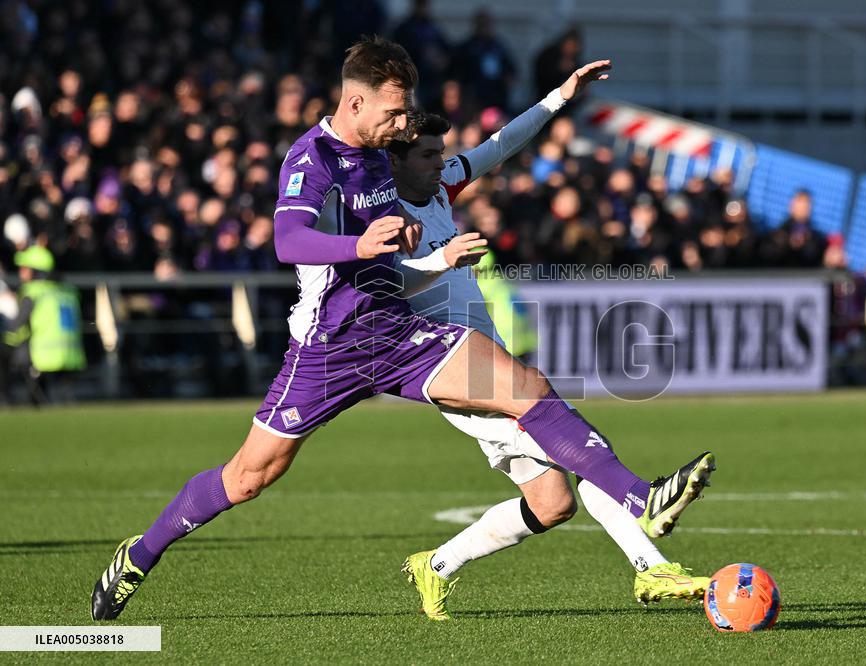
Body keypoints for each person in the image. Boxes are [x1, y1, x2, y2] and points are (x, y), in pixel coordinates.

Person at [90, 38, 713, 622]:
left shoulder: (397, 163)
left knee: (527, 387)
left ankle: (642, 500)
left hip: (401, 336)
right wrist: (359, 243)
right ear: (355, 101)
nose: (402, 123)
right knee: (249, 478)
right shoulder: (314, 158)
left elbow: (489, 151)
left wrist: (555, 100)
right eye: (393, 112)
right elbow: (287, 239)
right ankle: (140, 555)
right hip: (329, 347)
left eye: (405, 112)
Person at [388, 63, 714, 620]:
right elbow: (387, 283)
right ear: (394, 159)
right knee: (577, 446)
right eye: (426, 155)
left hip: (484, 354)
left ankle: (436, 564)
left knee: (553, 502)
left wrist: (561, 96)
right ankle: (649, 560)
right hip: (441, 362)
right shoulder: (382, 215)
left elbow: (501, 143)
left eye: (440, 154)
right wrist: (438, 260)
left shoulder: (440, 188)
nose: (440, 163)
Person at [2, 245, 86, 404]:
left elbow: (16, 328)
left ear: (35, 271)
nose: (21, 272)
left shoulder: (32, 292)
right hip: (72, 356)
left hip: (44, 357)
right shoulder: (67, 291)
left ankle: (6, 401)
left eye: (25, 268)